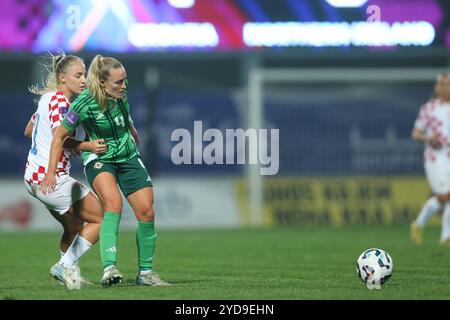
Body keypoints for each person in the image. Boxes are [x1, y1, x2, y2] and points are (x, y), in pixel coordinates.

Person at [40, 55, 170, 287]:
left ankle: (146, 274)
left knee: (147, 212)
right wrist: (53, 169)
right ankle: (109, 268)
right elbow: (59, 136)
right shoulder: (82, 104)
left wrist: (132, 129)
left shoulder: (121, 94)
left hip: (128, 156)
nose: (124, 85)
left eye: (125, 80)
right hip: (100, 158)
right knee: (112, 206)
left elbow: (125, 114)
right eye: (118, 82)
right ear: (101, 82)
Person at [24, 53, 107, 289]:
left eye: (84, 75)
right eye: (78, 75)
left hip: (32, 177)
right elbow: (58, 137)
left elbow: (29, 130)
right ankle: (65, 265)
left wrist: (61, 143)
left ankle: (67, 274)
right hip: (51, 179)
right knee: (103, 218)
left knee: (73, 226)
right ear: (63, 78)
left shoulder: (48, 99)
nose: (83, 80)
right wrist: (84, 146)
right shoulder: (60, 103)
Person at [410, 73, 450, 245]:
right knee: (445, 197)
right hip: (435, 157)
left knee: (445, 198)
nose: (446, 86)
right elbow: (416, 133)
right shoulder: (429, 109)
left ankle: (421, 226)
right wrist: (428, 138)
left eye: (448, 83)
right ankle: (444, 236)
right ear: (436, 87)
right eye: (443, 83)